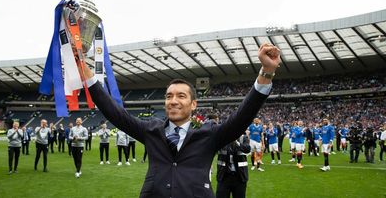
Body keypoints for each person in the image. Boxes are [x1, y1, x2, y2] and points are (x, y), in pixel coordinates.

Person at [82, 43, 280, 197]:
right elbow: (115, 113)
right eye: (169, 96)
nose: (173, 101)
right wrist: (82, 65)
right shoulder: (150, 131)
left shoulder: (209, 135)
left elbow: (241, 118)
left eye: (181, 96)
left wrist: (266, 72)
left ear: (194, 104)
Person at [216, 133, 250, 198]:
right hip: (224, 176)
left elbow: (247, 149)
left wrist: (237, 143)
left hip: (240, 177)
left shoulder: (243, 138)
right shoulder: (221, 138)